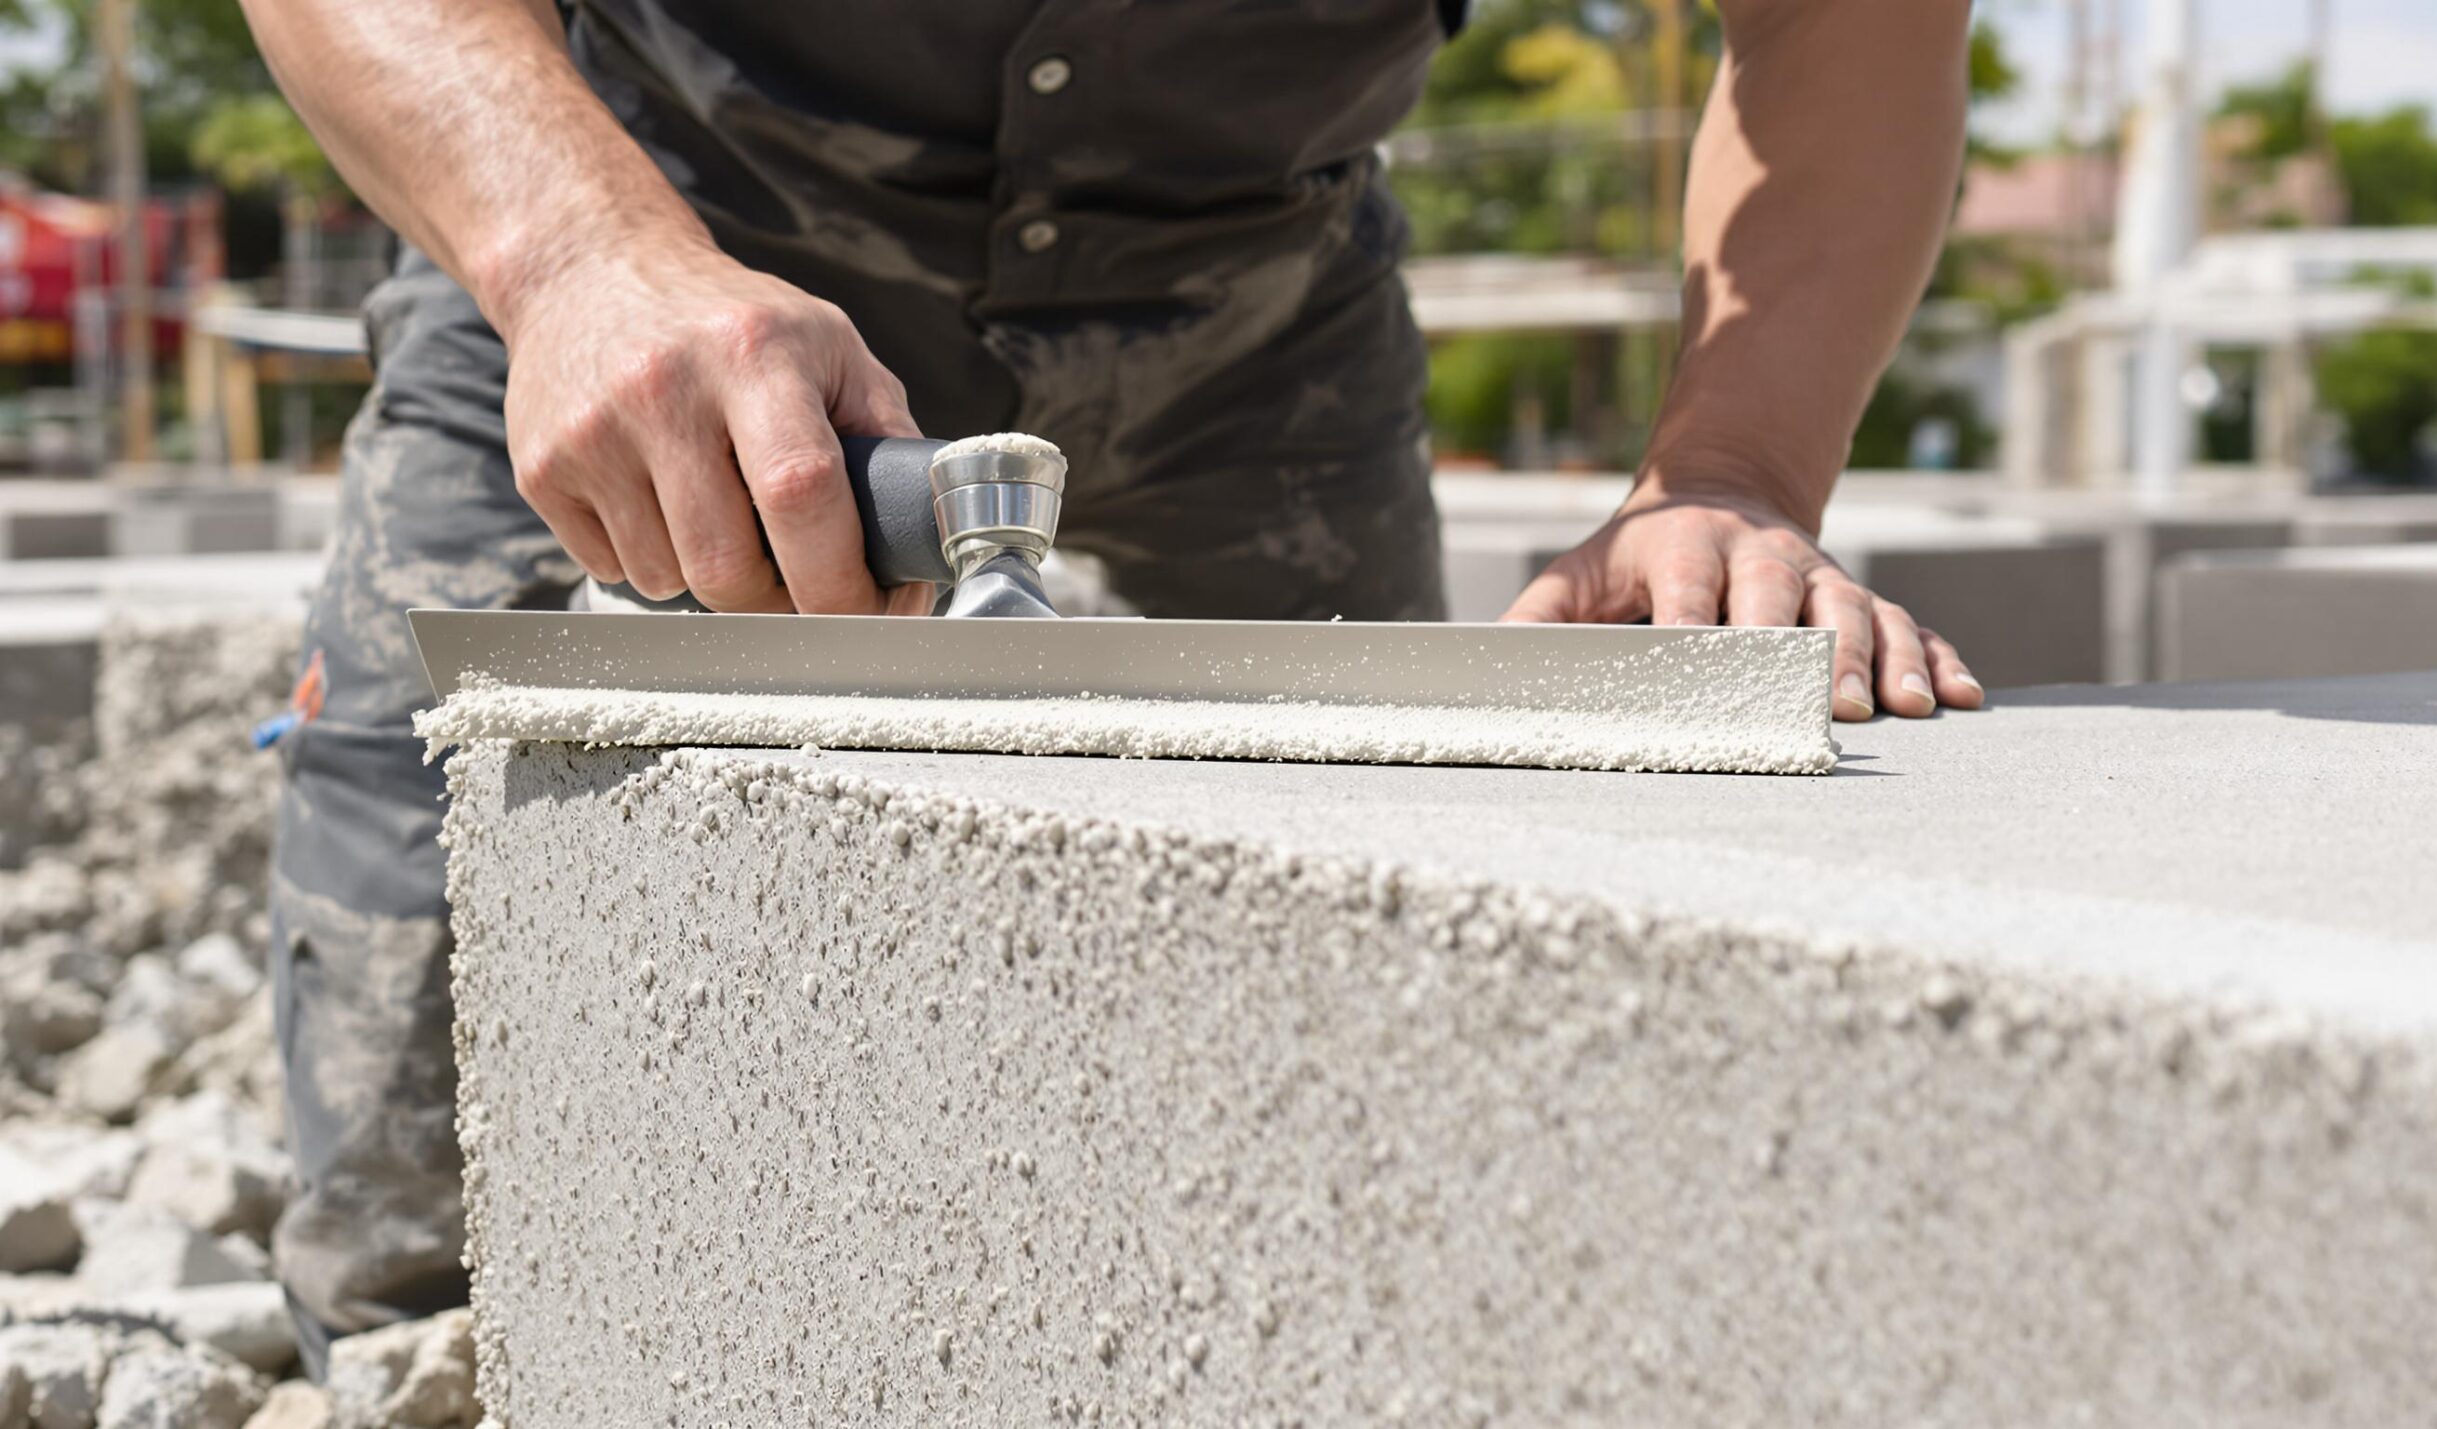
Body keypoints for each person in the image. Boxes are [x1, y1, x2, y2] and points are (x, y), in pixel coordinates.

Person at [241, 0, 1982, 1376]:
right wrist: (567, 251)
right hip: (658, 272)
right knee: (433, 1194)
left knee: (1368, 1091)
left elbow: (1840, 19)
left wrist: (1734, 465)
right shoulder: (603, 266)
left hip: (1249, 332)